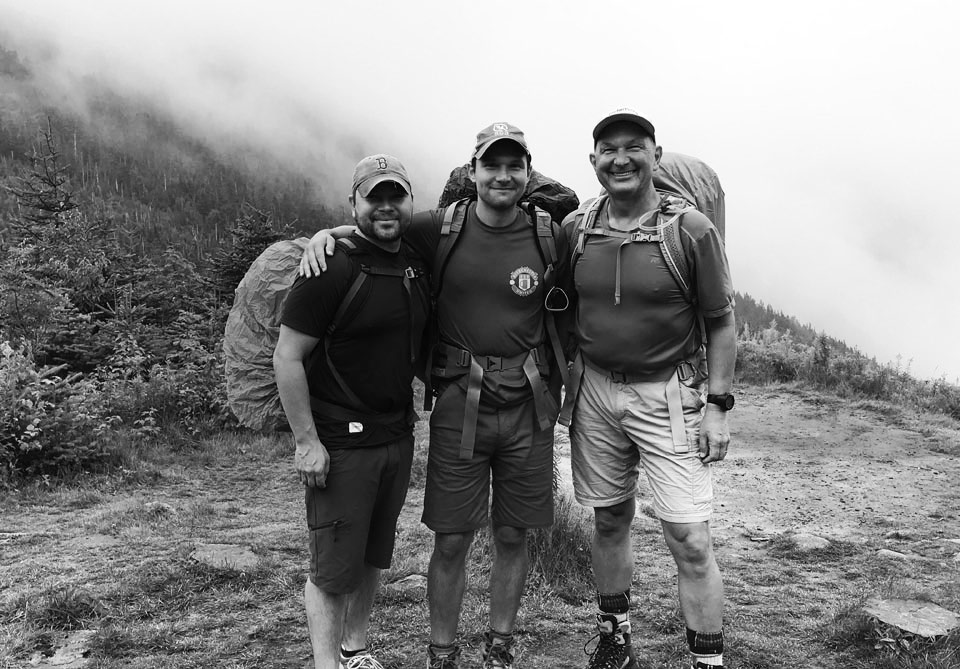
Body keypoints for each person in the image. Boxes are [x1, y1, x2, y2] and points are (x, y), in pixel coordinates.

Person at [301, 123, 566, 669]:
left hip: (530, 407)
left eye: (514, 165)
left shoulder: (549, 235)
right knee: (451, 540)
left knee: (514, 534)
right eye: (492, 165)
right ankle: (441, 653)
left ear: (528, 173)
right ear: (473, 172)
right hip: (460, 405)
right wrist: (323, 235)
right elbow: (378, 226)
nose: (503, 175)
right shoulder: (440, 228)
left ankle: (500, 648)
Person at [558, 109, 736, 669]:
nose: (621, 159)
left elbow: (722, 321)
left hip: (670, 396)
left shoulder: (690, 231)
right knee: (609, 518)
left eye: (634, 147)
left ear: (655, 157)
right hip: (594, 394)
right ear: (593, 163)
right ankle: (615, 637)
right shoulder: (576, 230)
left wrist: (718, 407)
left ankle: (706, 661)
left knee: (689, 537)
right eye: (608, 150)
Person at [273, 154, 430, 669]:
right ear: (354, 203)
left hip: (395, 435)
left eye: (395, 196)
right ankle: (326, 664)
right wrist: (306, 442)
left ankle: (356, 650)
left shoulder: (414, 258)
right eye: (374, 197)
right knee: (332, 568)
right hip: (341, 440)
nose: (386, 206)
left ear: (410, 201)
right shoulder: (329, 265)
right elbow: (288, 355)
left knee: (370, 555)